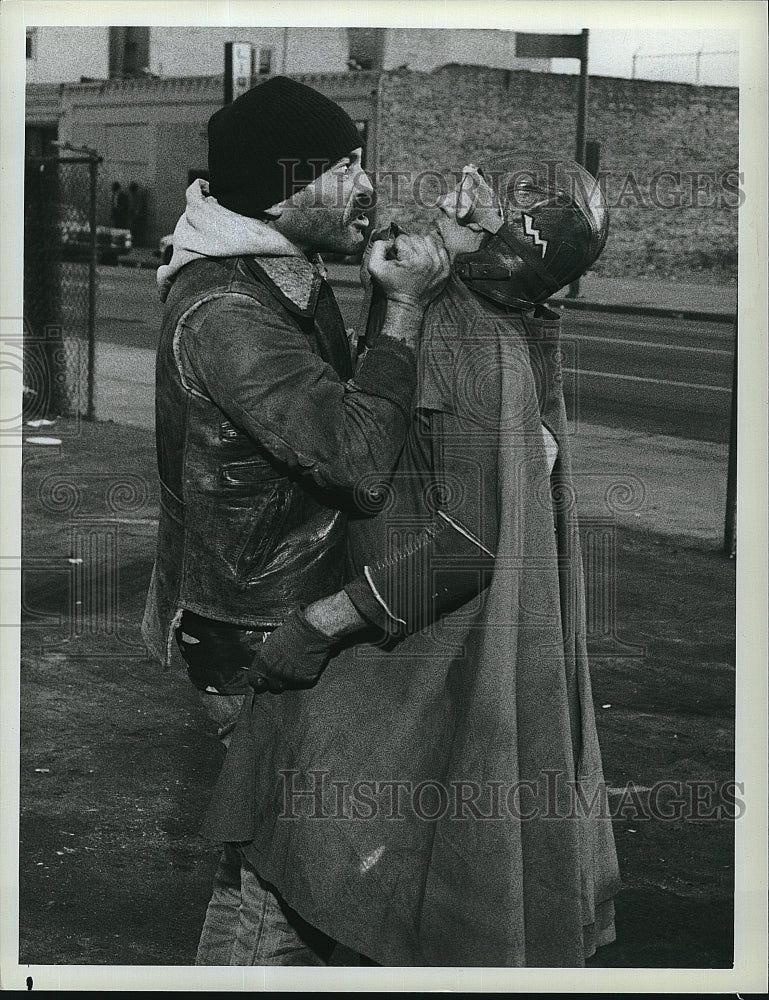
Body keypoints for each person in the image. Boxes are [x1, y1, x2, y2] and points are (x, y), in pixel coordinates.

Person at [202, 156, 621, 967]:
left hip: (384, 677)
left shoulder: (459, 331)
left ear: (503, 243)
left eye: (476, 201)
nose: (448, 193)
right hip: (429, 677)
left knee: (271, 897)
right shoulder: (510, 323)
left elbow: (464, 548)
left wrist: (314, 628)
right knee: (305, 903)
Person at [140, 76, 448, 961]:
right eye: (342, 166)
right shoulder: (229, 312)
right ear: (280, 192)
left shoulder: (276, 274)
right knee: (290, 892)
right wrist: (404, 308)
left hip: (274, 613)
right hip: (257, 633)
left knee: (270, 876)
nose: (365, 184)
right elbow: (354, 457)